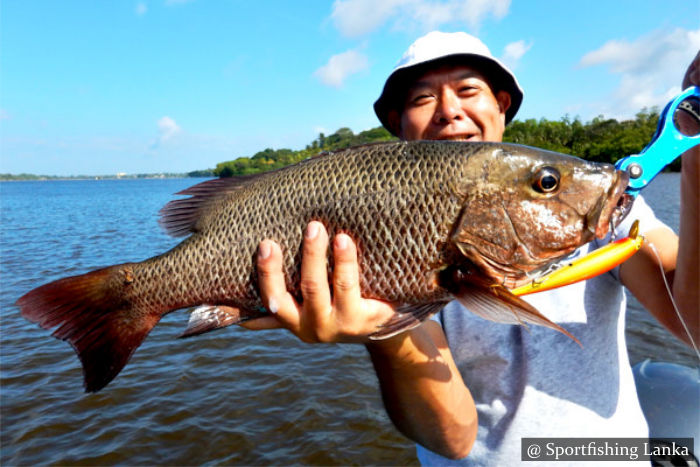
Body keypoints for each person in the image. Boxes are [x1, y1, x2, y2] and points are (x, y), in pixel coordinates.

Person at [240, 31, 700, 464]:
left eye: (468, 90)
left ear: (501, 106)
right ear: (399, 128)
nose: (448, 111)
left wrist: (695, 159)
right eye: (422, 98)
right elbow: (453, 437)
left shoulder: (594, 208)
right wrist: (386, 329)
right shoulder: (382, 247)